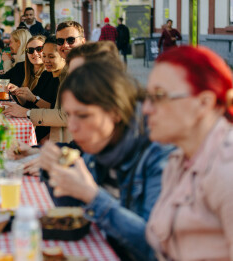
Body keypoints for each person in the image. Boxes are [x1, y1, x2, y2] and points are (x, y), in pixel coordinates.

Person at [38, 60, 172, 260]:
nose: (72, 126)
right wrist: (53, 173)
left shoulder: (158, 154)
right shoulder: (101, 142)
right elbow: (76, 215)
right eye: (69, 114)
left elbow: (156, 248)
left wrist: (93, 196)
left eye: (83, 116)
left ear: (115, 113)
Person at [144, 46, 233, 260]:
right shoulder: (179, 159)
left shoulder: (226, 169)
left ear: (203, 103)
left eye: (159, 96)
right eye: (147, 97)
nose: (146, 108)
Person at [28, 21, 86, 143]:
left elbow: (65, 116)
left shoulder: (82, 71)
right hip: (64, 145)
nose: (65, 45)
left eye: (71, 40)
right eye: (60, 41)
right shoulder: (69, 69)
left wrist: (27, 113)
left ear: (82, 42)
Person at [3, 36, 65, 143]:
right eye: (44, 56)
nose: (46, 60)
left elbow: (53, 109)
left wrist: (33, 98)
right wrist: (19, 93)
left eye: (51, 56)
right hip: (38, 130)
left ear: (63, 56)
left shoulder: (67, 79)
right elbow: (30, 104)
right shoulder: (46, 74)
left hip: (50, 134)